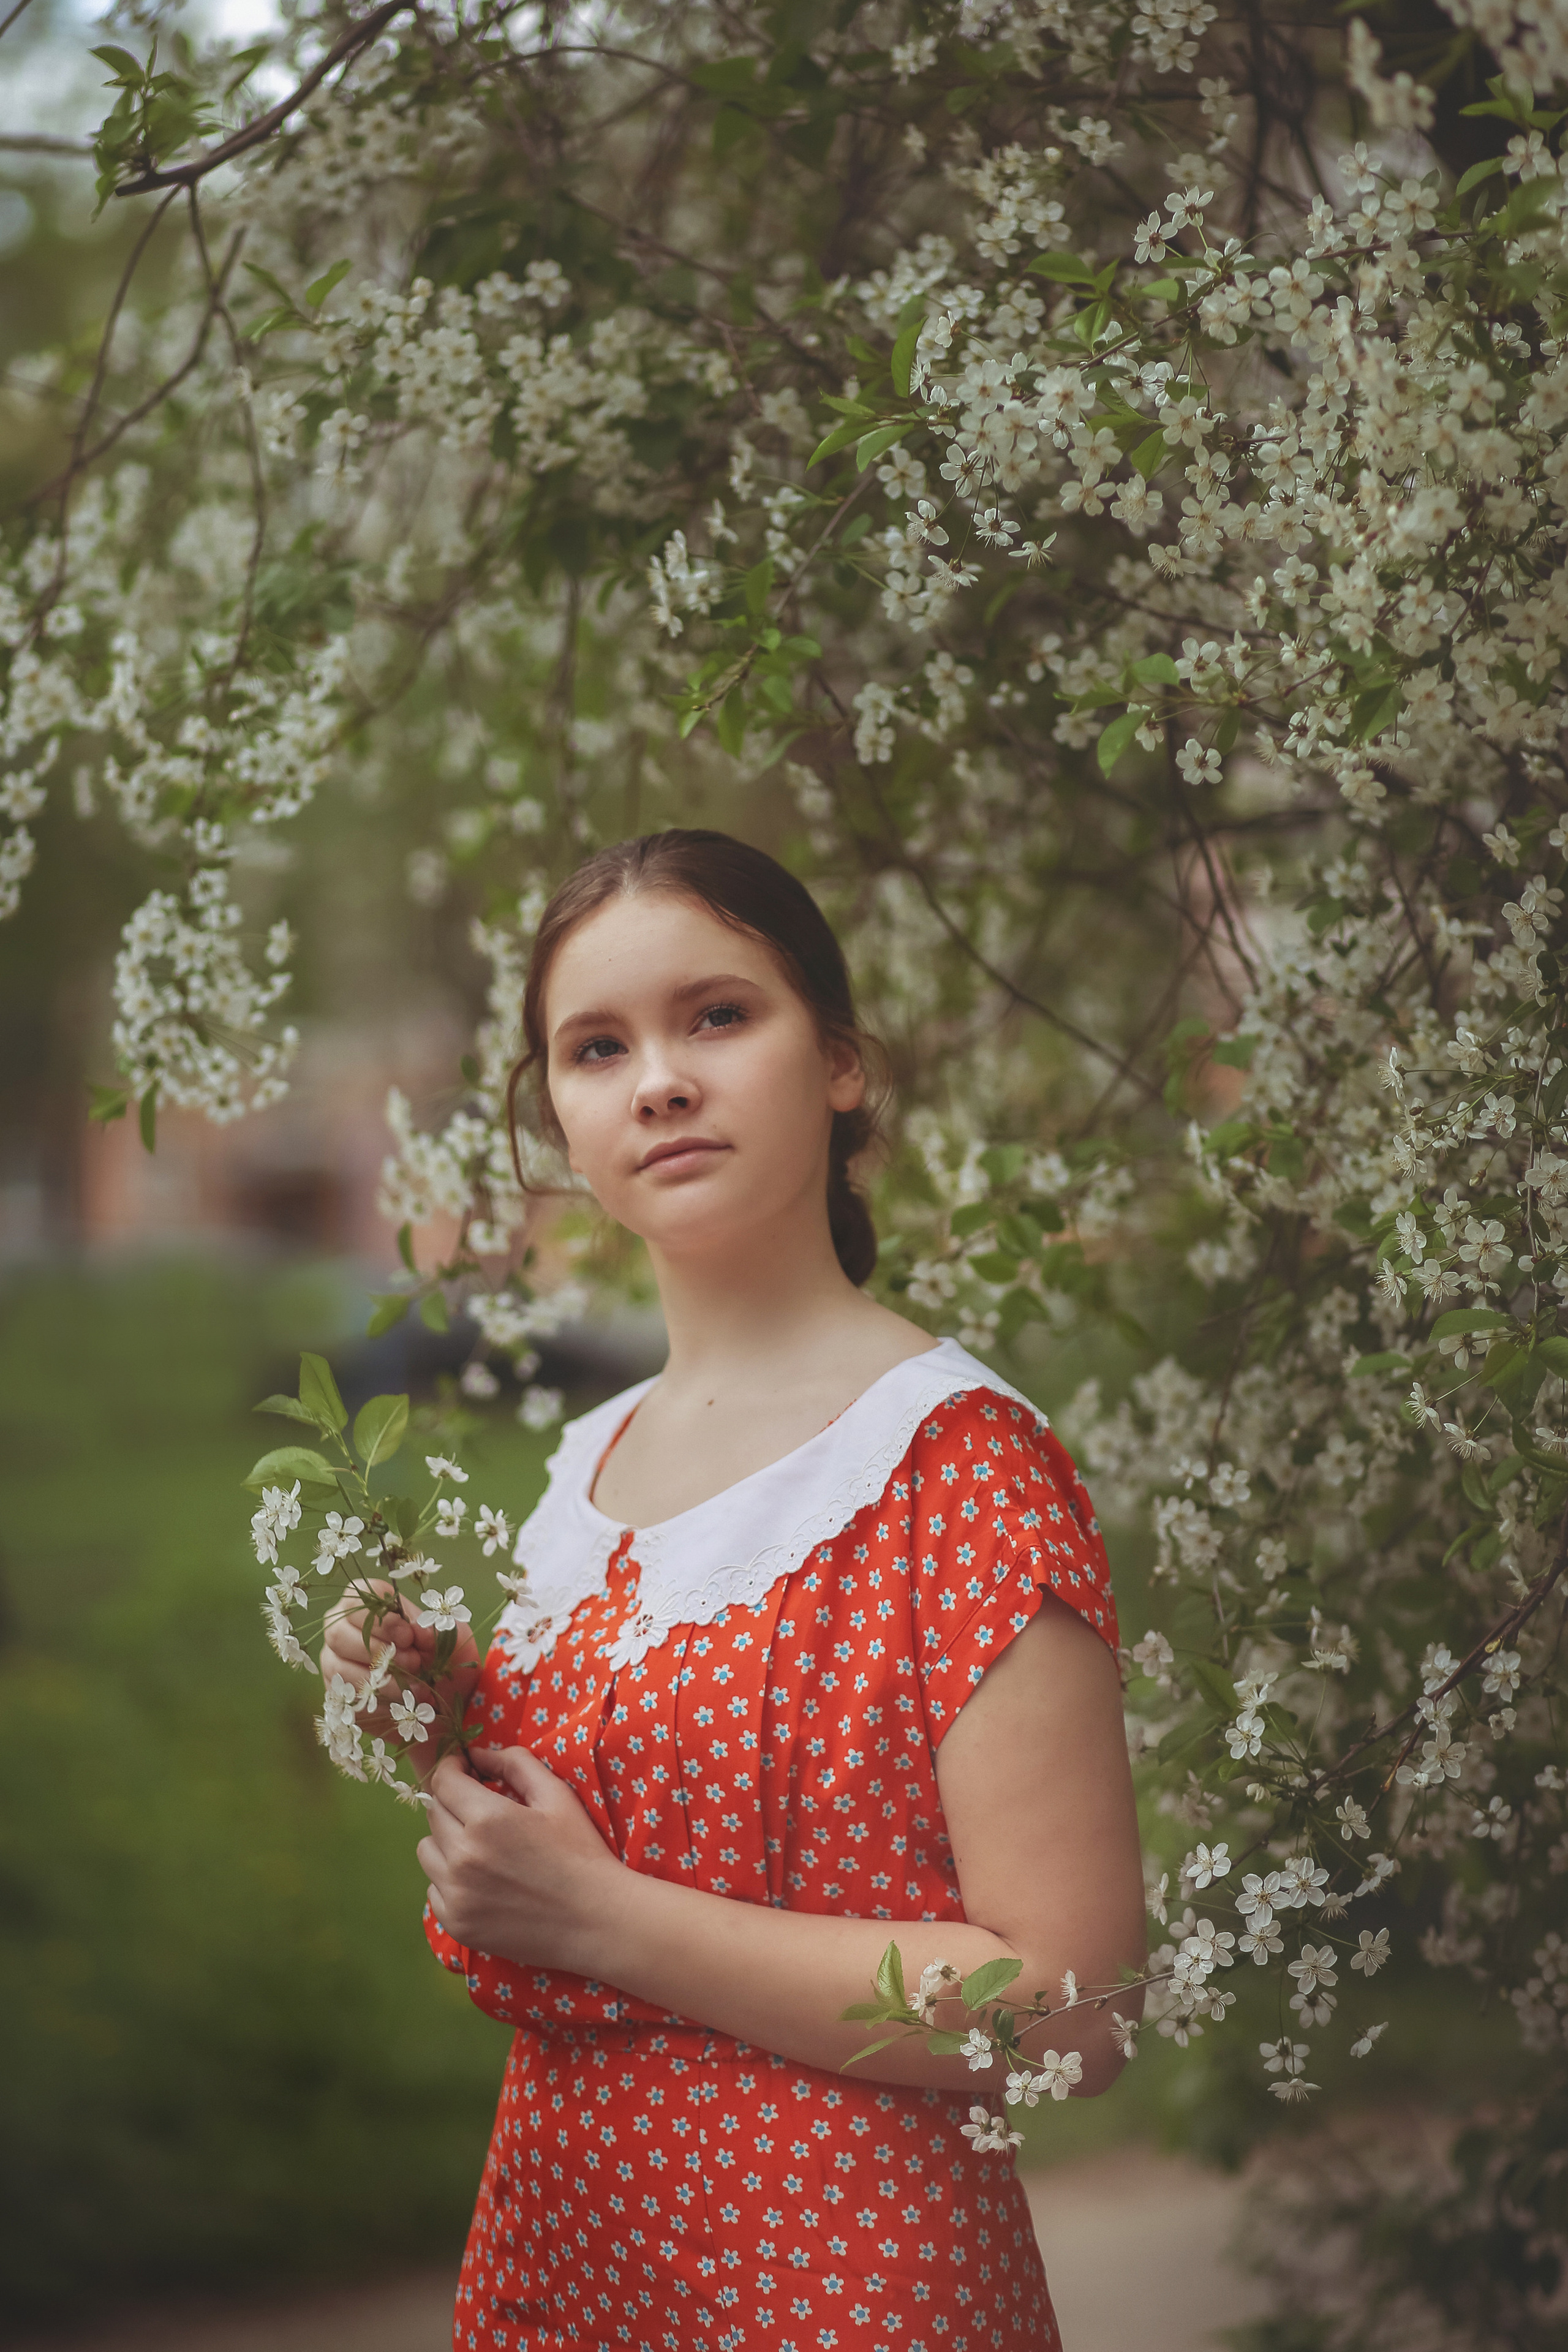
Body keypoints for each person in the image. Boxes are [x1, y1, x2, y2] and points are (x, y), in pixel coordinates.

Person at [323, 828, 1145, 2352]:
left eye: (716, 1015)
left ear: (837, 1063)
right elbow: (568, 1874)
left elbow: (1070, 2006)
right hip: (562, 2263)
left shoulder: (955, 1468)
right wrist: (437, 1712)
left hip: (837, 2289)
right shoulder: (583, 1468)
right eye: (596, 1046)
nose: (657, 1081)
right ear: (558, 1118)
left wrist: (602, 1917)